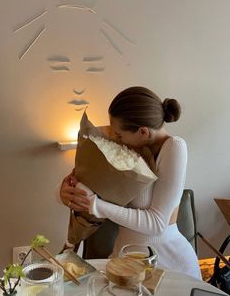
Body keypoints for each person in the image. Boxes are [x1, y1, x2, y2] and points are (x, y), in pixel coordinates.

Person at [59, 86, 202, 279]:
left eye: (119, 134)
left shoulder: (174, 148)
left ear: (143, 132)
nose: (116, 138)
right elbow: (87, 177)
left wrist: (96, 205)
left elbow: (156, 224)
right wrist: (64, 191)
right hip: (124, 259)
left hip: (168, 263)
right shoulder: (130, 145)